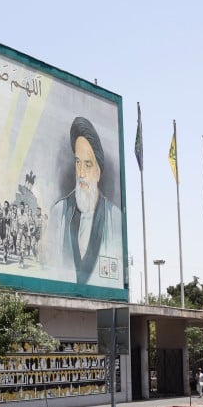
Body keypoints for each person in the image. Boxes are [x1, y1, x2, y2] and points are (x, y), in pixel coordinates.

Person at [48, 116, 124, 286]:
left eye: (88, 164)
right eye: (77, 162)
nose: (81, 173)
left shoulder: (115, 218)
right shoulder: (58, 212)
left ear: (98, 172)